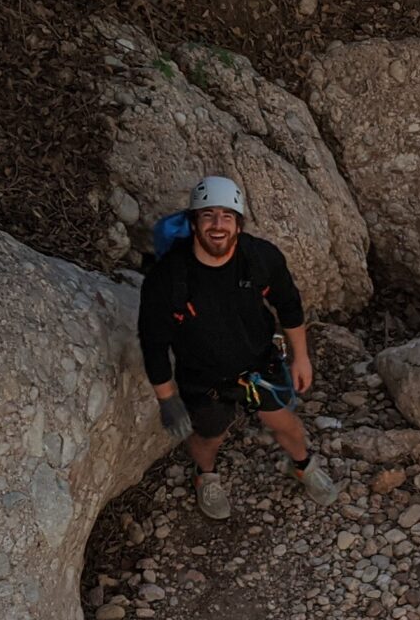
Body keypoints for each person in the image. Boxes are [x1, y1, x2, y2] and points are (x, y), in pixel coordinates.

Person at [135, 175, 337, 520]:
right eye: (208, 215)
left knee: (285, 424)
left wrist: (300, 357)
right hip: (203, 378)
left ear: (238, 223)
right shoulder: (168, 279)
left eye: (227, 216)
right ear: (194, 222)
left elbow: (288, 305)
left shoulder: (259, 259)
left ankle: (302, 465)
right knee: (210, 436)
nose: (217, 225)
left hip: (258, 366)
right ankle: (206, 476)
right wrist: (168, 399)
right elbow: (153, 343)